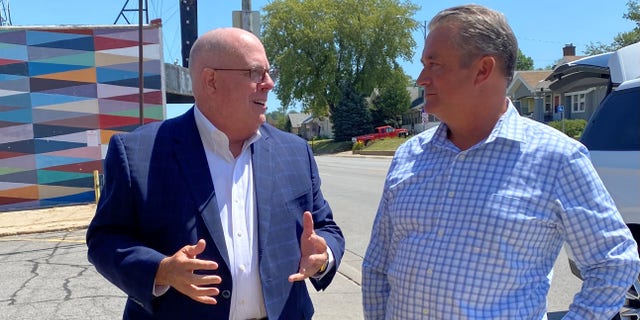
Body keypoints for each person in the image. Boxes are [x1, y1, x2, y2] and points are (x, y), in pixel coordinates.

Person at [362, 4, 640, 319]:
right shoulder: (408, 157)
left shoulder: (556, 158)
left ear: (483, 69)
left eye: (434, 64)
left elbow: (614, 261)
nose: (422, 78)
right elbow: (377, 265)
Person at [86, 27, 345, 320]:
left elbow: (327, 228)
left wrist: (324, 256)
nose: (269, 83)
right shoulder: (137, 153)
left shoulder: (295, 152)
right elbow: (104, 239)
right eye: (256, 73)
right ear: (211, 80)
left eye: (269, 72)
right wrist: (159, 270)